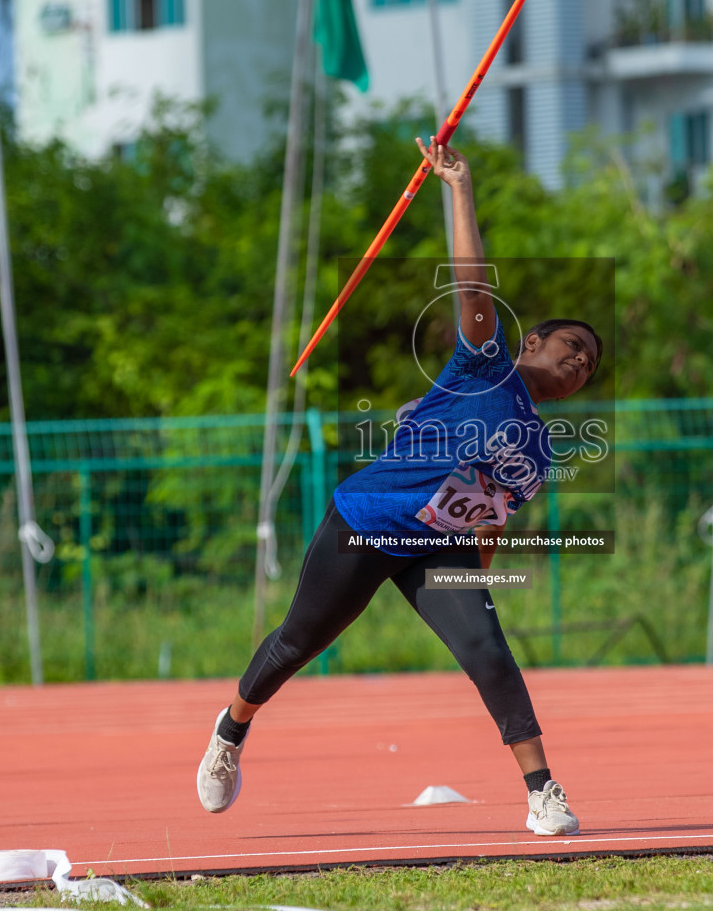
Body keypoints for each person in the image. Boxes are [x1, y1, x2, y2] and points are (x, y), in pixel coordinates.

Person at [196, 137, 604, 834]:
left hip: (434, 548)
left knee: (487, 649)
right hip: (368, 519)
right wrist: (459, 188)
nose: (579, 366)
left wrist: (478, 579)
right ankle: (231, 731)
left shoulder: (540, 450)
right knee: (298, 641)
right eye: (573, 349)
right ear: (531, 341)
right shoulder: (487, 364)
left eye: (590, 367)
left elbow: (490, 515)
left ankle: (542, 791)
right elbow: (472, 284)